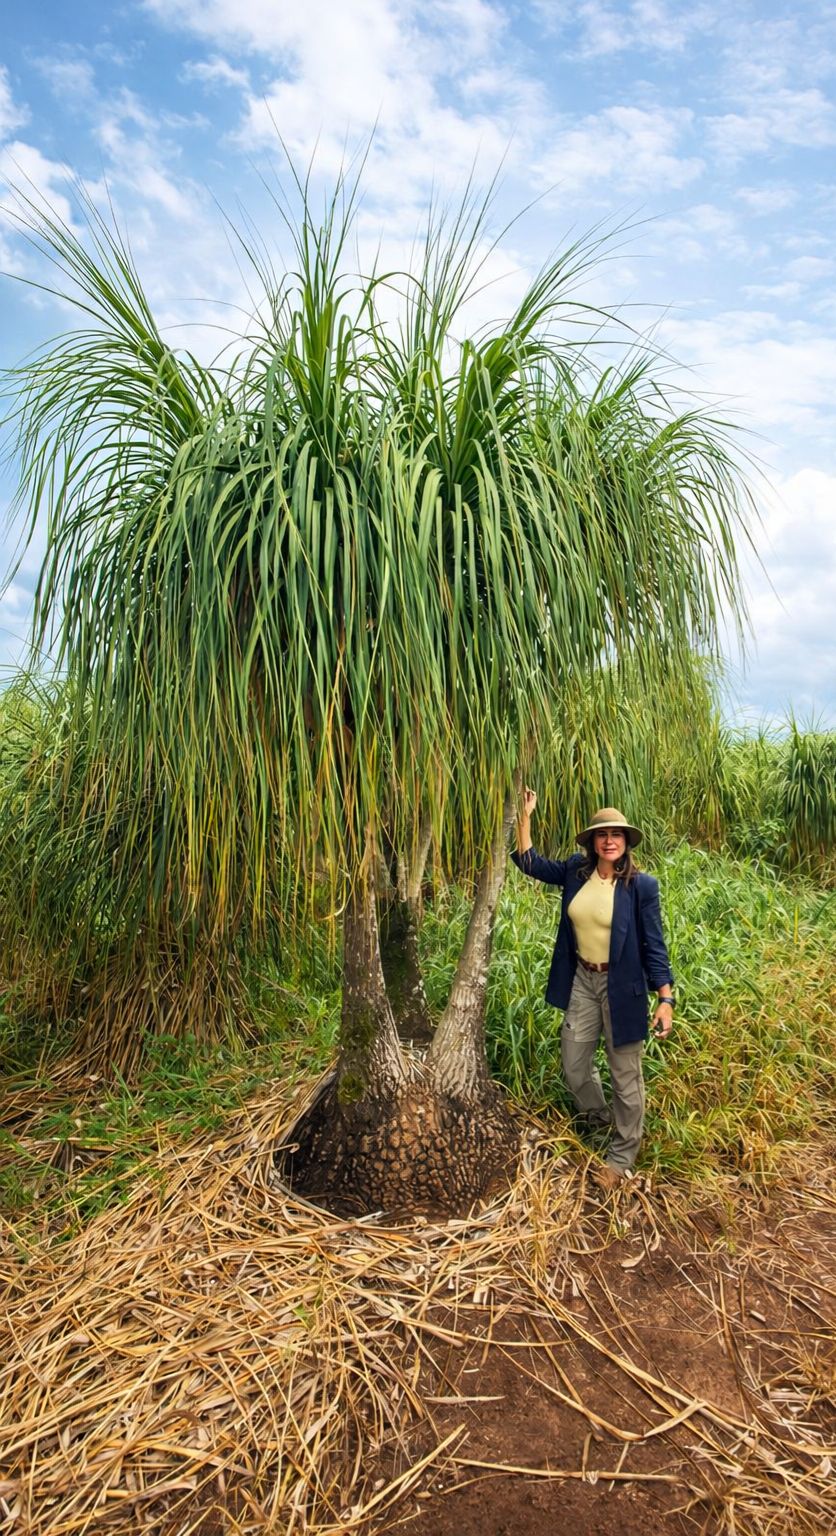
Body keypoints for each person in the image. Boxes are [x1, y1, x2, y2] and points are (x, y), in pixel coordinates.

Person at [512, 795, 674, 1190]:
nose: (609, 841)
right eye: (602, 834)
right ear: (592, 842)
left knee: (625, 1075)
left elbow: (655, 944)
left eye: (616, 834)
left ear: (627, 842)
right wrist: (524, 817)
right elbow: (529, 863)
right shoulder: (575, 871)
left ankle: (621, 1156)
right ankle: (601, 1121)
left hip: (624, 988)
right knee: (574, 1063)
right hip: (583, 981)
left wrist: (665, 999)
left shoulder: (641, 887)